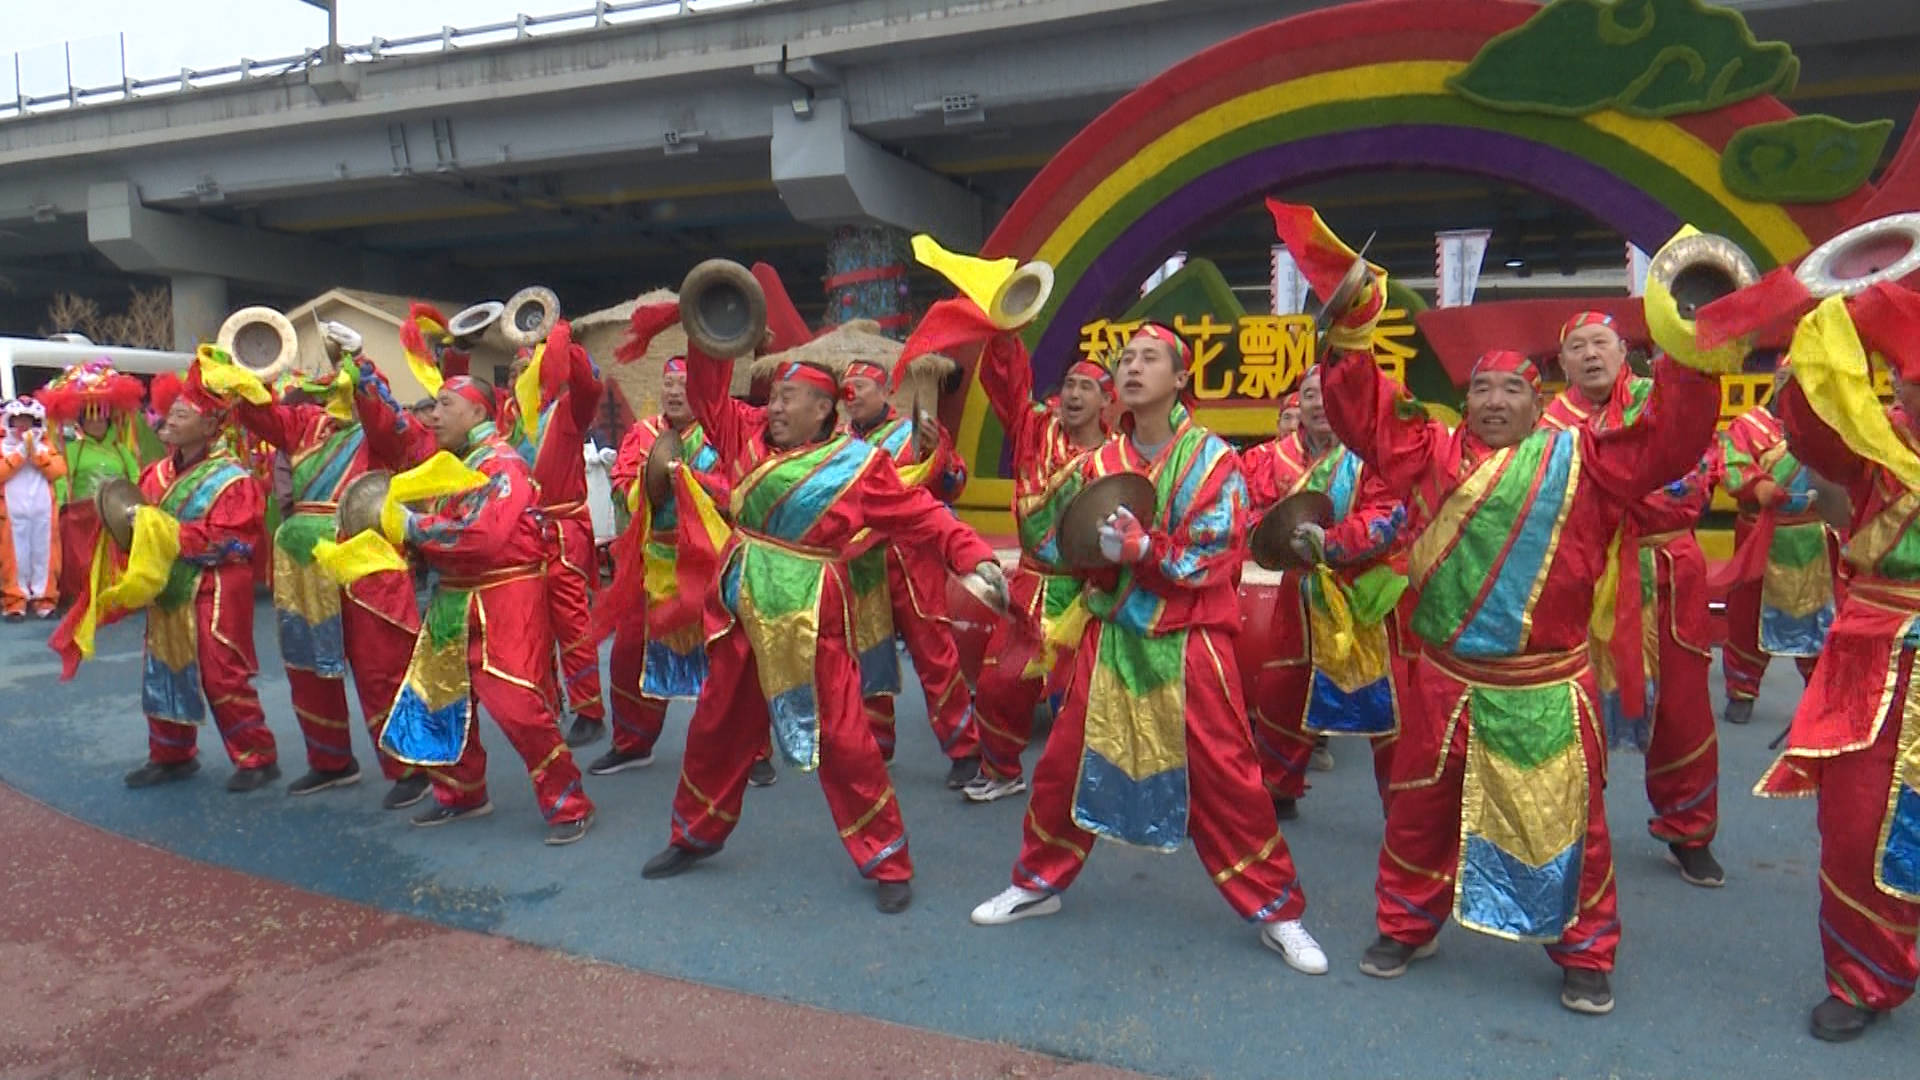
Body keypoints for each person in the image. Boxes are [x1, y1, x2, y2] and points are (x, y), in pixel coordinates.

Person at [1326, 321, 1720, 1012]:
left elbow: (1671, 439)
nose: (1495, 400)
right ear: (1465, 400)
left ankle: (1586, 950)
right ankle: (1406, 924)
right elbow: (1367, 417)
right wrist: (1353, 334)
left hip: (1543, 682)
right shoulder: (1432, 451)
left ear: (1541, 406)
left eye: (1514, 388)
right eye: (1481, 387)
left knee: (1572, 825)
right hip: (1446, 678)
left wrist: (1692, 358)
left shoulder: (1585, 459)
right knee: (1419, 809)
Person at [968, 323, 1328, 977]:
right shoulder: (1098, 465)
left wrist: (1143, 552)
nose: (1133, 367)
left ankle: (1278, 909)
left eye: (1150, 358)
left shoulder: (1215, 460)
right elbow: (1057, 548)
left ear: (1180, 377)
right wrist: (1080, 549)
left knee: (1229, 782)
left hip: (1190, 644)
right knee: (1063, 766)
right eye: (1126, 358)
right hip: (1112, 640)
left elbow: (1217, 550)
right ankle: (1037, 881)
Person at [639, 345, 1002, 915]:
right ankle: (695, 834)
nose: (774, 408)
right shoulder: (745, 435)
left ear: (822, 409)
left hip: (812, 615)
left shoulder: (858, 466)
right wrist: (711, 335)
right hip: (745, 608)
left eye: (788, 399)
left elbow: (923, 512)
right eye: (774, 397)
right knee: (715, 727)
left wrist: (973, 554)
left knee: (846, 741)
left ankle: (887, 857)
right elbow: (711, 392)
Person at [1755, 285, 1920, 1042]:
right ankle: (1862, 976)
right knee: (1855, 829)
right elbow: (1814, 438)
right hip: (1874, 658)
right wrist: (1834, 323)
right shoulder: (1871, 447)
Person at [353, 362, 596, 844]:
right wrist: (360, 370)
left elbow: (483, 536)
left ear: (477, 410)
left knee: (519, 704)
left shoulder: (501, 465)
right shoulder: (447, 463)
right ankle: (461, 793)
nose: (434, 415)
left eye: (446, 405)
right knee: (439, 698)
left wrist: (411, 528)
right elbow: (392, 428)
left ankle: (569, 801)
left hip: (505, 592)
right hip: (452, 596)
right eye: (434, 404)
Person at [1541, 311, 1724, 888]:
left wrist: (1610, 500)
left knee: (1684, 709)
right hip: (1584, 578)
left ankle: (1688, 829)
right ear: (1563, 362)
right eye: (1577, 346)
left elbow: (1693, 486)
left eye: (1601, 343)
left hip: (1667, 570)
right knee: (1572, 707)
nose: (1591, 354)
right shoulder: (1549, 423)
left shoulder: (1665, 402)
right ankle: (1568, 826)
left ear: (1625, 351)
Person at [216, 323, 428, 809]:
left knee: (381, 667)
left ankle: (410, 767)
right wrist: (241, 367)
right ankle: (331, 761)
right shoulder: (303, 425)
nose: (333, 385)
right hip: (305, 561)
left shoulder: (384, 431)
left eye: (343, 376)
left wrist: (363, 363)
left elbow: (392, 432)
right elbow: (260, 416)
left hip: (364, 556)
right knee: (308, 666)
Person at [119, 361, 280, 792]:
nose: (169, 418)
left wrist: (165, 534)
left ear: (210, 424)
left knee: (221, 671)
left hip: (218, 585)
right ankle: (171, 754)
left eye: (182, 413)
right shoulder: (154, 475)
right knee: (163, 666)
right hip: (168, 584)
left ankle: (258, 756)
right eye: (169, 410)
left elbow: (237, 543)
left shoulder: (233, 480)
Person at [965, 334, 1111, 803]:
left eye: (1086, 387)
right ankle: (1002, 769)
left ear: (1108, 400)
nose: (1072, 394)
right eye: (1069, 384)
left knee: (1086, 697)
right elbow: (1008, 386)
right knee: (997, 682)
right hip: (1030, 583)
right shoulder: (1036, 430)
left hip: (1085, 591)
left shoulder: (1118, 459)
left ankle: (1087, 784)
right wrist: (1005, 334)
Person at [1262, 364, 1414, 816]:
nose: (1319, 403)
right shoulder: (1271, 459)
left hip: (1368, 595)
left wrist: (1331, 542)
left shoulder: (1379, 454)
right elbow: (1245, 505)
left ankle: (1404, 805)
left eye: (1330, 395)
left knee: (1390, 706)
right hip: (1303, 597)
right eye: (1310, 394)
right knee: (1283, 689)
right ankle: (1276, 785)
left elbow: (1390, 515)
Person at [841, 358, 982, 788]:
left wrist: (937, 455)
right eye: (846, 388)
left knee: (935, 656)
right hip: (863, 565)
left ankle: (966, 750)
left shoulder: (913, 433)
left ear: (885, 391)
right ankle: (876, 744)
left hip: (911, 561)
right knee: (867, 656)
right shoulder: (839, 442)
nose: (852, 395)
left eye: (860, 386)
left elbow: (955, 484)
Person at [593, 355, 721, 776]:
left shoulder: (719, 432)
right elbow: (621, 484)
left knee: (726, 661)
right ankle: (632, 742)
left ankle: (750, 751)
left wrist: (690, 483)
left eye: (682, 382)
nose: (672, 390)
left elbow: (735, 485)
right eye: (667, 382)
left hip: (708, 562)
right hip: (651, 563)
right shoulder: (643, 433)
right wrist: (646, 489)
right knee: (629, 655)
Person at [502, 323, 608, 748]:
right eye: (513, 375)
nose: (517, 382)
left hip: (562, 533)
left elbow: (588, 385)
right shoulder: (507, 422)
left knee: (572, 627)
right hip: (521, 533)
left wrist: (557, 335)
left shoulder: (567, 411)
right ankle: (547, 701)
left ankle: (589, 711)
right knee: (531, 627)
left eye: (527, 372)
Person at [1713, 380, 1832, 723]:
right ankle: (1742, 690)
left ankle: (1821, 697)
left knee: (1819, 621)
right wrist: (1759, 485)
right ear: (1780, 384)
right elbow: (1731, 467)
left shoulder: (1828, 425)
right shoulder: (1748, 425)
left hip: (1813, 538)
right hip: (1762, 535)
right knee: (1747, 620)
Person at [38, 359, 145, 607]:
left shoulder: (121, 450)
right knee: (83, 560)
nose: (96, 423)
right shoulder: (73, 449)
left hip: (117, 513)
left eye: (100, 419)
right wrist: (63, 504)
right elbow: (64, 479)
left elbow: (136, 478)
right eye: (90, 419)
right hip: (82, 515)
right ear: (82, 422)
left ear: (108, 421)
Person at [2, 398, 66, 621]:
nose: (23, 426)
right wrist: (20, 454)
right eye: (18, 421)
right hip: (11, 514)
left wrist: (37, 454)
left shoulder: (46, 446)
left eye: (28, 421)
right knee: (14, 558)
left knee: (45, 555)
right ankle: (14, 601)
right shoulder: (3, 446)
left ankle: (45, 599)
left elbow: (58, 470)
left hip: (43, 514)